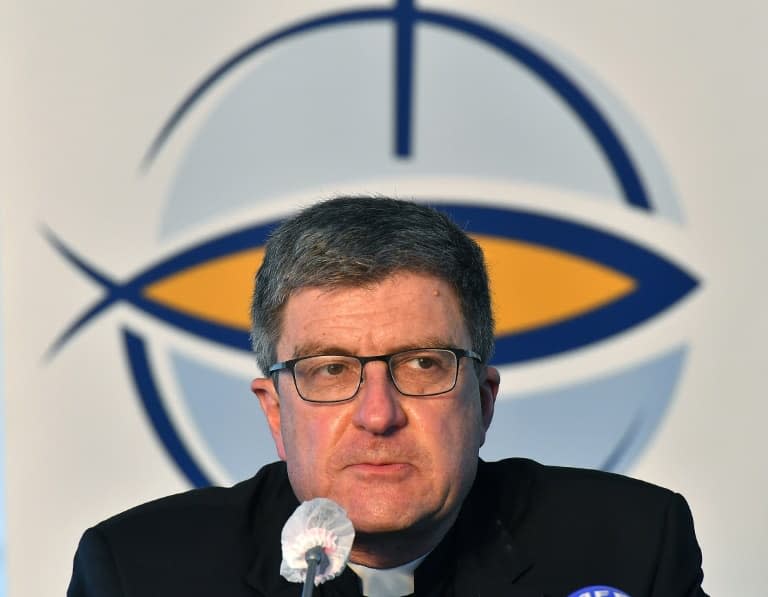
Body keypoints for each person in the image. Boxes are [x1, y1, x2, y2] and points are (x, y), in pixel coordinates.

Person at [68, 196, 708, 596]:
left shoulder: (629, 547)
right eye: (329, 371)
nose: (378, 415)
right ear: (274, 409)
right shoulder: (139, 572)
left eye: (423, 364)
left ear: (483, 401)